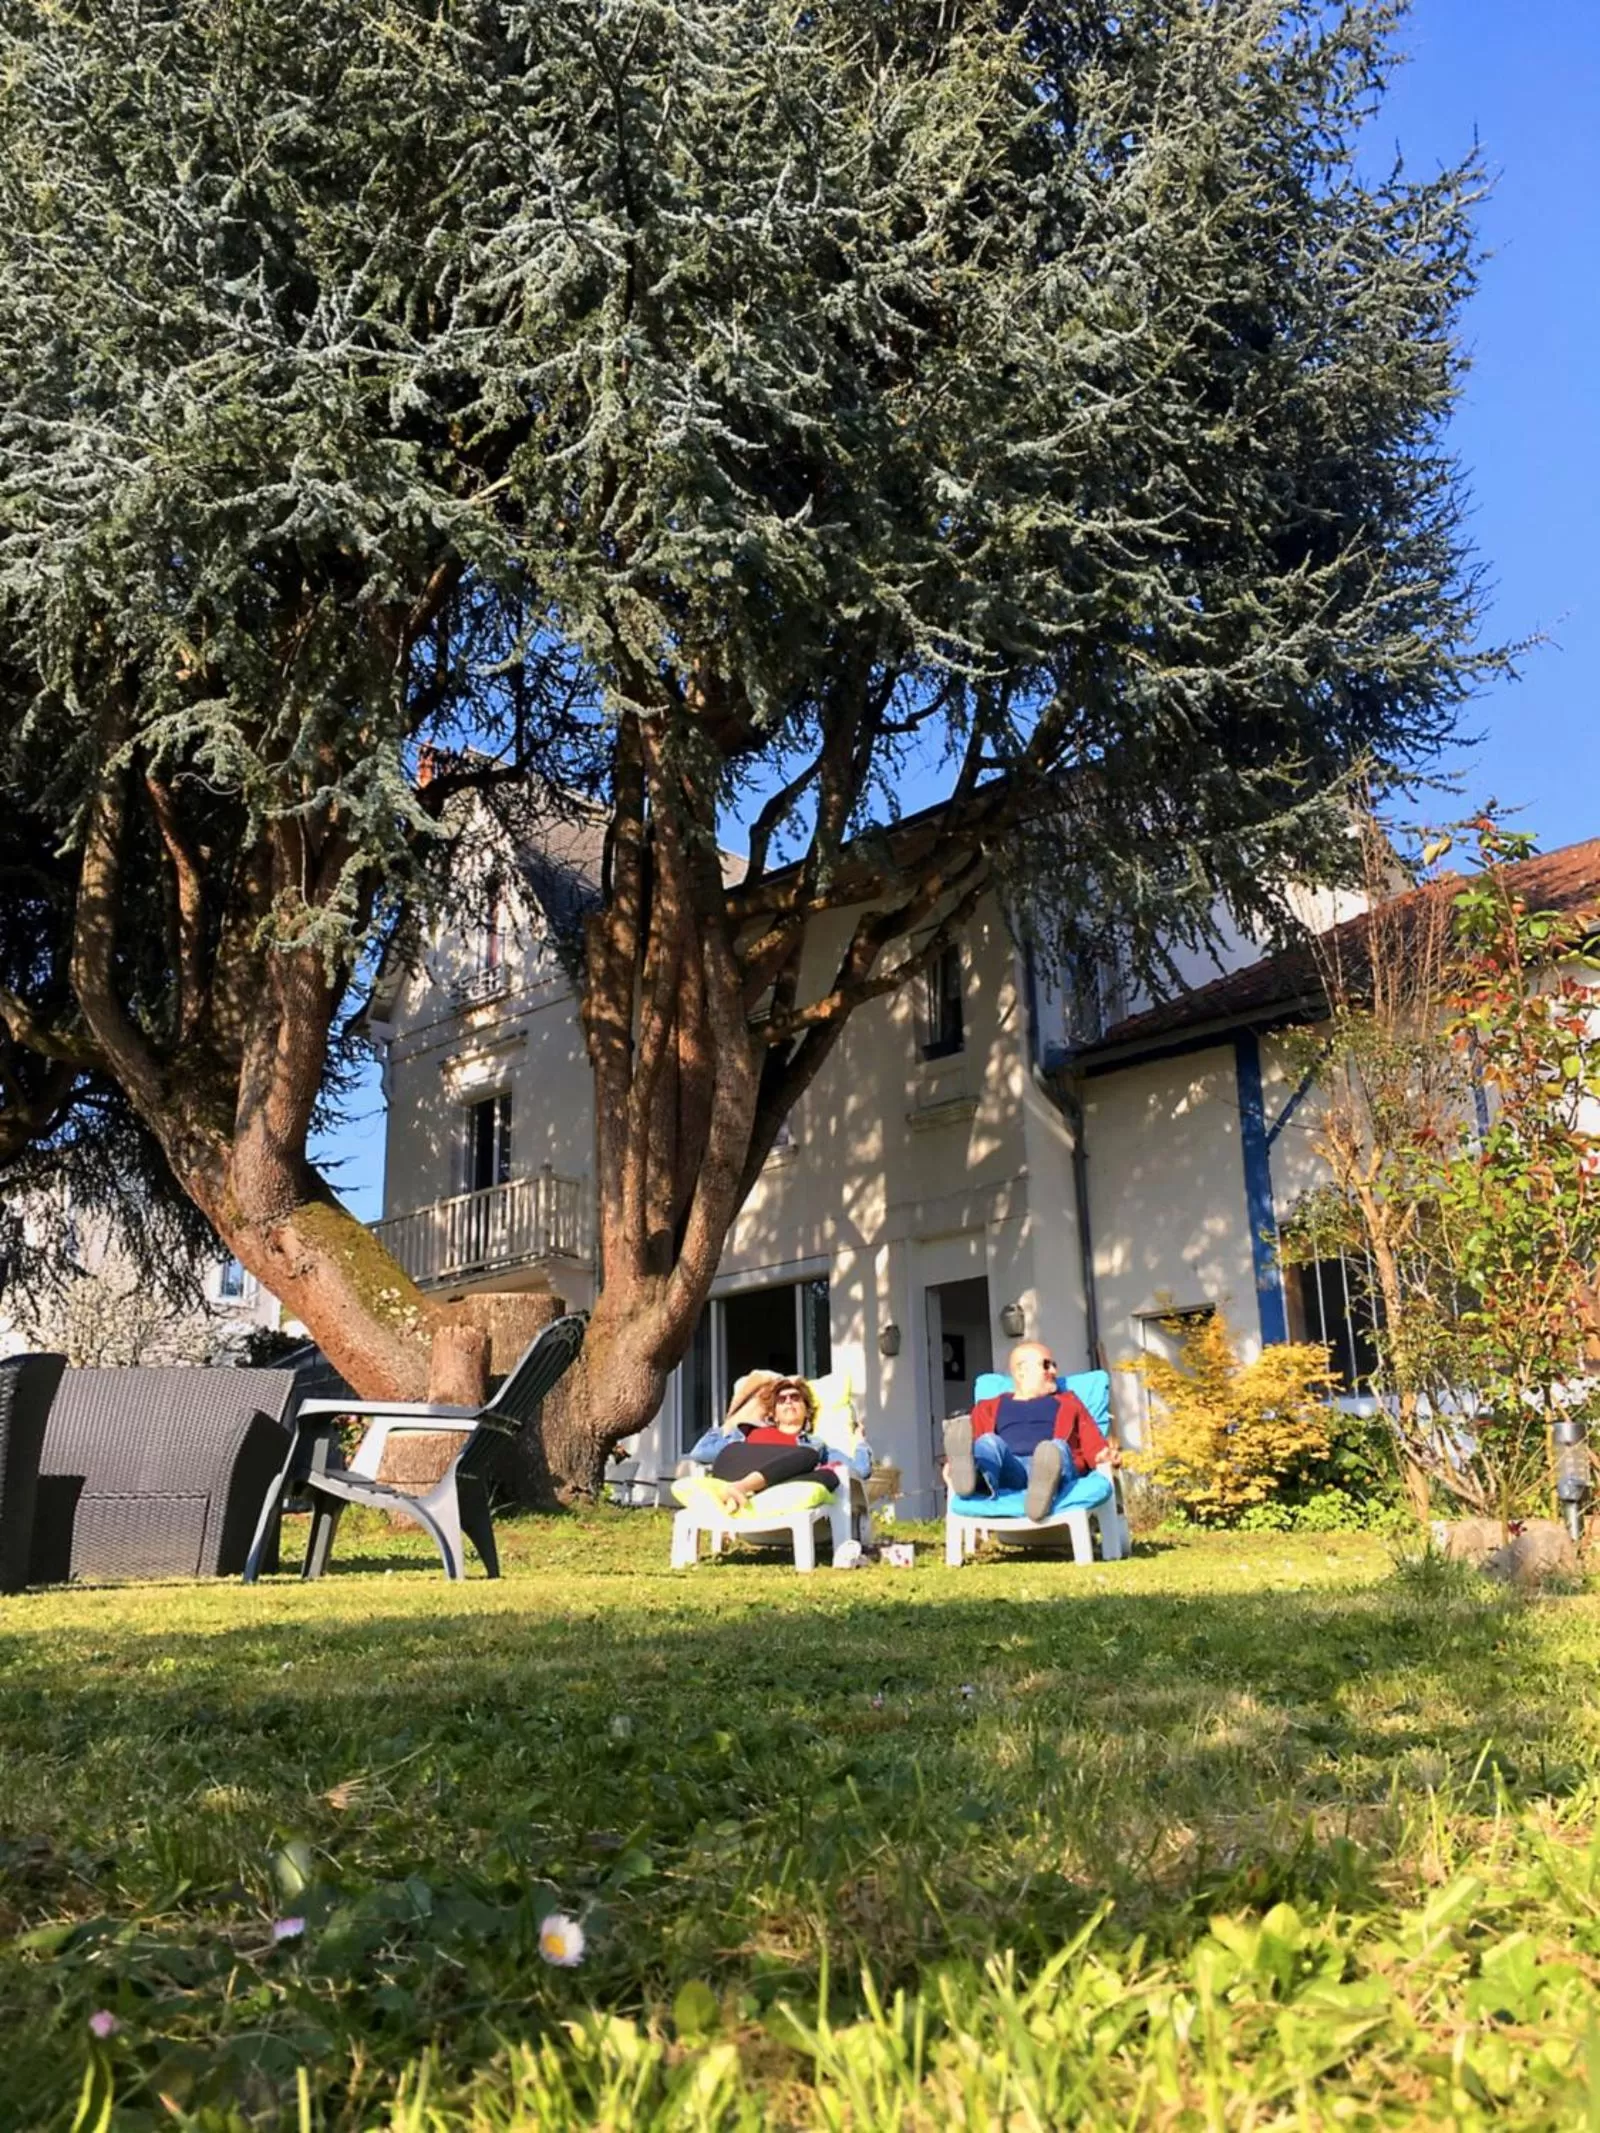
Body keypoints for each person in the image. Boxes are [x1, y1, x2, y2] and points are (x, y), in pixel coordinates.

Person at [942, 1339, 1114, 1521]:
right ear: (1021, 1371)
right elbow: (974, 1445)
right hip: (1010, 1470)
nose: (1054, 1371)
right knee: (988, 1442)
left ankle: (1041, 1495)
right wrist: (955, 1465)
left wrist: (1104, 1456)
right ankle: (975, 1479)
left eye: (1054, 1365)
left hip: (1053, 1470)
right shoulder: (988, 1407)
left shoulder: (1070, 1403)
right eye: (1046, 1365)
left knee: (1055, 1448)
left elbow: (1094, 1447)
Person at [686, 1372, 871, 1514]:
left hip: (777, 1486)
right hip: (737, 1462)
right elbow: (700, 1453)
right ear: (773, 1413)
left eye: (795, 1398)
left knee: (826, 1474)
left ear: (806, 1410)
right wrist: (732, 1422)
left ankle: (742, 1490)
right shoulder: (747, 1433)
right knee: (807, 1457)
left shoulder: (816, 1445)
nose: (789, 1402)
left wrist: (860, 1442)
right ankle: (744, 1488)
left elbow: (860, 1471)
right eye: (782, 1400)